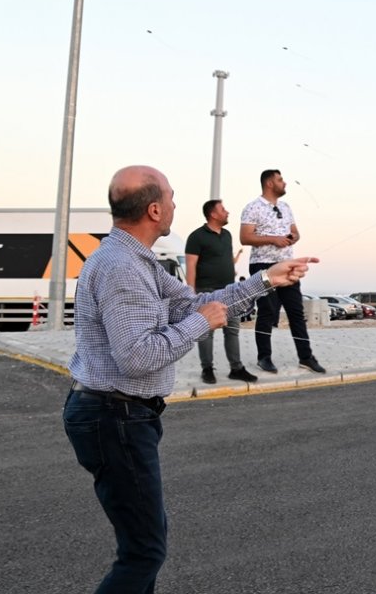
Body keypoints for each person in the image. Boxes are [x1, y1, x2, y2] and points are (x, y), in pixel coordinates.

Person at [63, 165, 318, 593]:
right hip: (114, 416)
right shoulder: (123, 267)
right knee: (143, 551)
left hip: (121, 415)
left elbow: (196, 303)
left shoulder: (137, 260)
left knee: (144, 543)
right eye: (172, 197)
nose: (177, 204)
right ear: (155, 209)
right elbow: (138, 356)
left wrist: (266, 280)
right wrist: (200, 324)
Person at [240, 169, 325, 374]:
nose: (284, 183)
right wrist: (273, 239)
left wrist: (291, 237)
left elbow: (296, 232)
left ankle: (306, 357)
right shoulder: (253, 207)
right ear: (269, 183)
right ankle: (264, 357)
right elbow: (245, 237)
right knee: (267, 311)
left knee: (296, 311)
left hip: (288, 265)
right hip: (263, 265)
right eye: (280, 180)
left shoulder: (286, 207)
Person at [185, 200, 257, 384]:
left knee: (232, 330)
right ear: (213, 214)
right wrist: (190, 295)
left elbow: (226, 261)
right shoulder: (196, 237)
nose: (227, 212)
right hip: (206, 292)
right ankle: (207, 368)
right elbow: (191, 266)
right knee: (206, 332)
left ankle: (236, 368)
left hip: (229, 292)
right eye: (223, 209)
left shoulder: (227, 235)